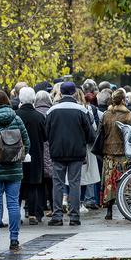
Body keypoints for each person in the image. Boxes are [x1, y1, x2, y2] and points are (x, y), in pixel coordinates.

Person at [0, 90, 30, 250]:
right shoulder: (16, 119)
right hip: (14, 168)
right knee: (14, 204)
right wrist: (18, 157)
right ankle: (14, 239)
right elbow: (26, 142)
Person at [45, 82, 95, 226]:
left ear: (60, 92)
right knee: (74, 184)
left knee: (58, 184)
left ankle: (57, 216)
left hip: (57, 152)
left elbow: (46, 133)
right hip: (77, 153)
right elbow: (90, 135)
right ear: (74, 92)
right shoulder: (81, 110)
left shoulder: (52, 110)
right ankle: (74, 216)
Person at [100, 90, 131, 219]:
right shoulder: (128, 115)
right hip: (123, 153)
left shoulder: (106, 115)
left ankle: (109, 211)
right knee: (124, 181)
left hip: (108, 153)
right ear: (123, 100)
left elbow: (100, 133)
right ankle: (126, 209)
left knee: (109, 182)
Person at [16, 87, 47, 225]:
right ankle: (33, 214)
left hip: (17, 155)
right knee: (34, 186)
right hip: (36, 155)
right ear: (33, 99)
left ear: (20, 99)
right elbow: (46, 137)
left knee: (18, 186)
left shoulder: (15, 115)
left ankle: (16, 213)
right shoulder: (39, 117)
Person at [34, 90, 54, 216]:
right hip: (51, 152)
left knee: (39, 184)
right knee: (52, 184)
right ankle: (53, 208)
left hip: (38, 153)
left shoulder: (35, 113)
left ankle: (39, 210)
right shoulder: (52, 112)